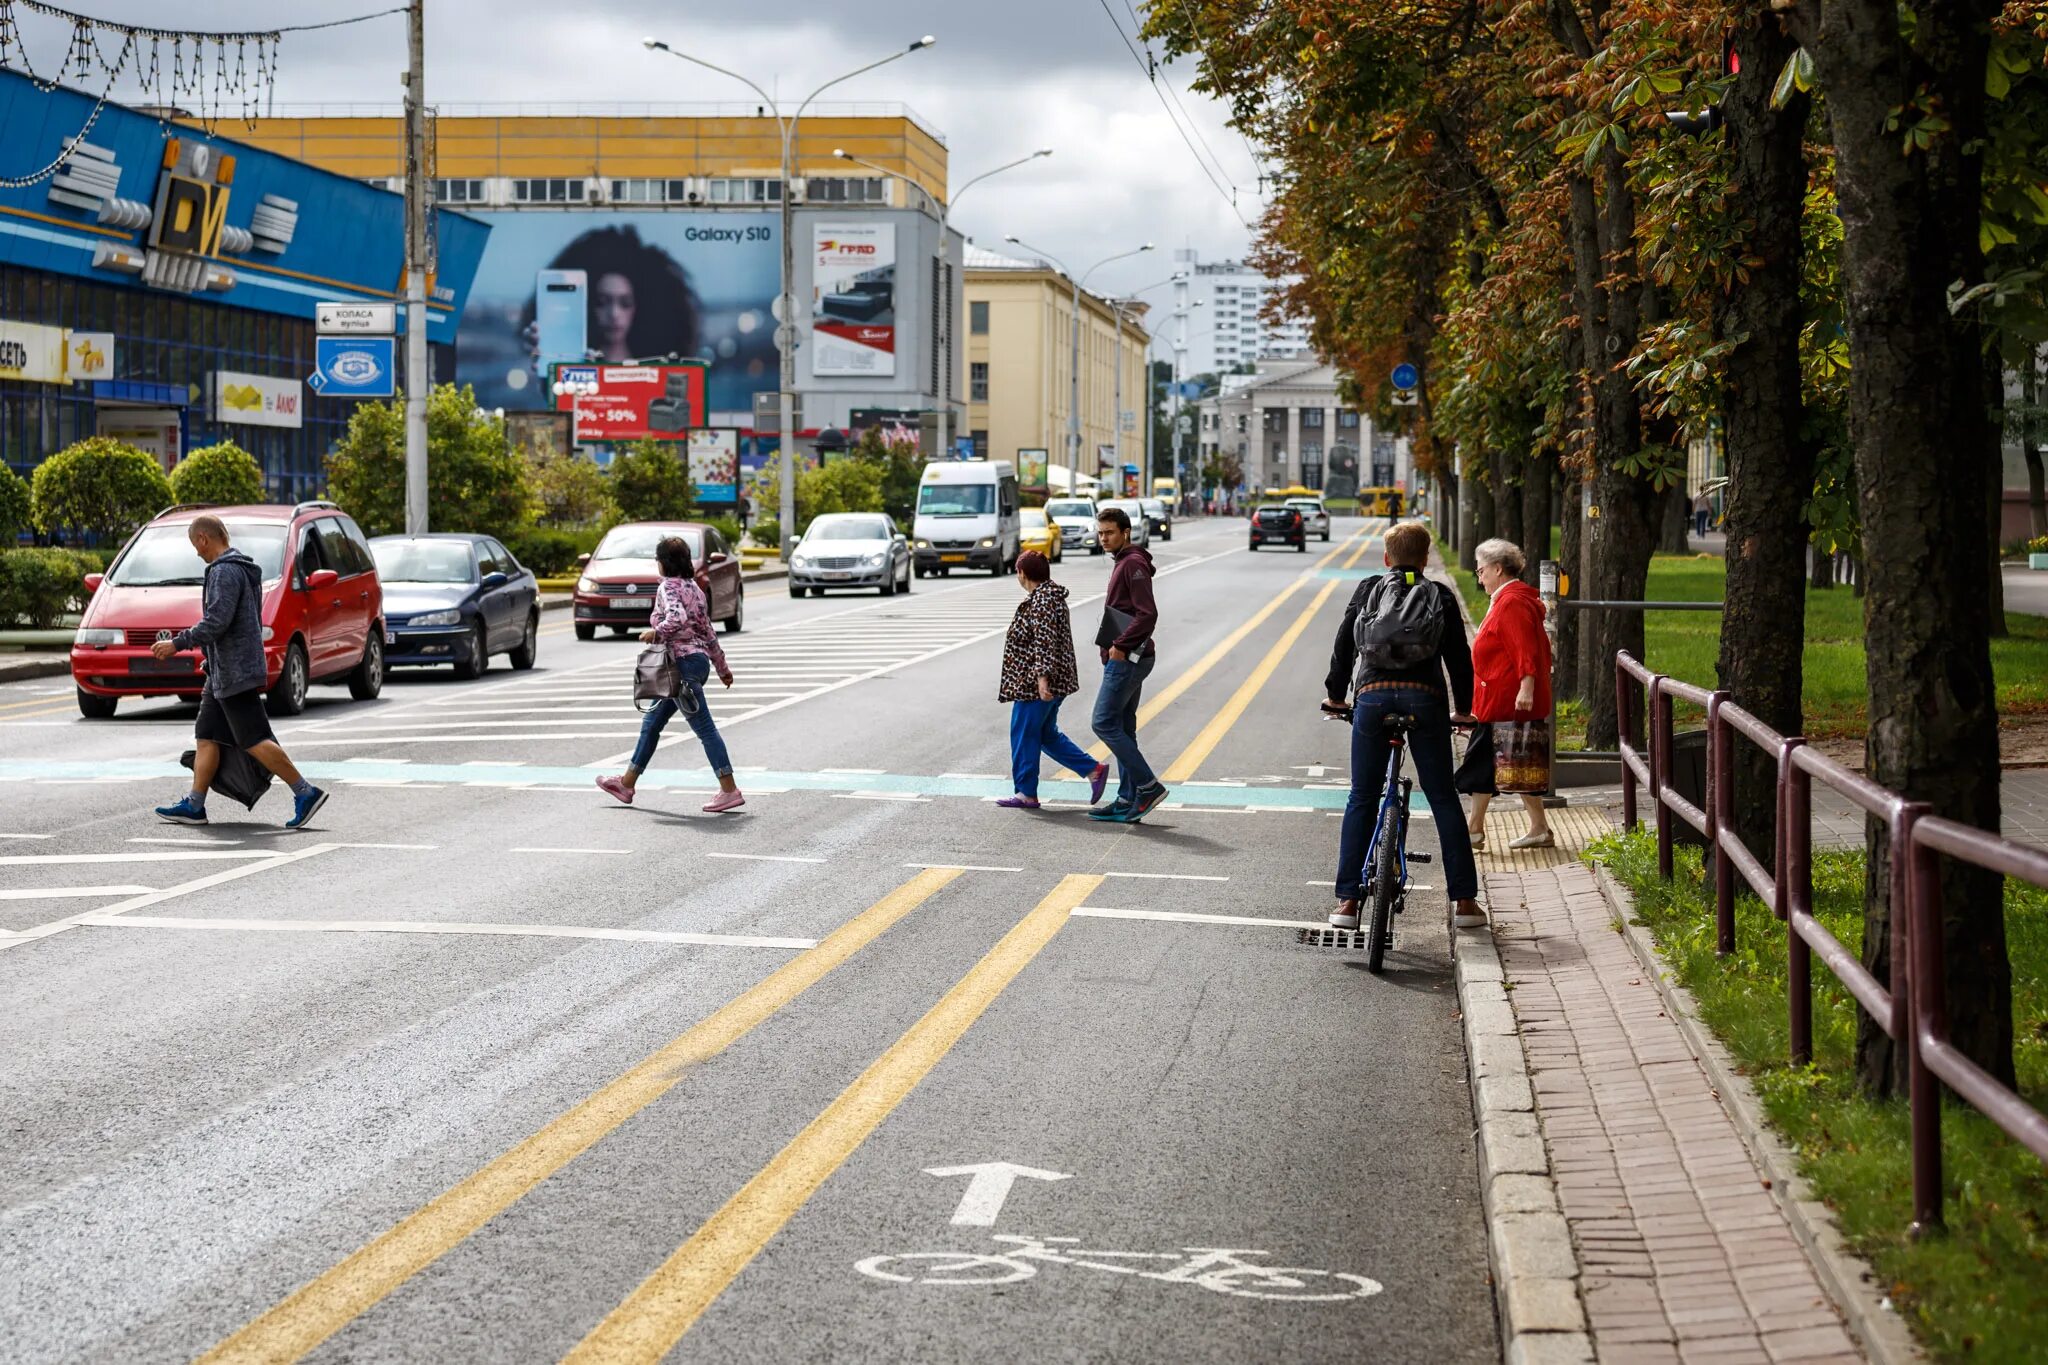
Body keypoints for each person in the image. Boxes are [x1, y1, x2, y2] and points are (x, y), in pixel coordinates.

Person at [1324, 520, 1483, 929]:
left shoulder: (1368, 590)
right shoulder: (1441, 596)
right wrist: (1463, 709)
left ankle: (1346, 902)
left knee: (1362, 796)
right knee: (1443, 798)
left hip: (1373, 699)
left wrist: (1337, 695)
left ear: (1386, 558)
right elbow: (1459, 659)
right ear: (1426, 558)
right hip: (1425, 700)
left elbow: (1344, 644)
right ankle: (1465, 903)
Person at [152, 516, 328, 829]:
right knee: (206, 736)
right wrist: (211, 660)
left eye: (196, 546)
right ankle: (194, 804)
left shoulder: (224, 571)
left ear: (204, 539)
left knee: (254, 739)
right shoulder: (240, 569)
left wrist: (177, 644)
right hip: (222, 671)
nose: (196, 553)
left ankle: (305, 792)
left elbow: (217, 622)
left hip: (235, 672)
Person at [596, 536, 745, 813]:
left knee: (705, 729)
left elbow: (676, 619)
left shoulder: (668, 587)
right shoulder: (696, 590)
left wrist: (656, 631)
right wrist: (722, 668)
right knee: (651, 724)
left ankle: (729, 790)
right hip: (693, 665)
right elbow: (708, 633)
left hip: (681, 668)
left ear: (663, 563)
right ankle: (626, 784)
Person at [1455, 538, 1555, 852]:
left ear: (1498, 569)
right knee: (1517, 763)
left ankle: (1474, 830)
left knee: (1485, 764)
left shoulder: (1511, 601)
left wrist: (1526, 686)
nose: (1479, 576)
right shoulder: (1507, 598)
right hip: (1499, 698)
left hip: (1506, 700)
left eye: (1482, 570)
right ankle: (1537, 828)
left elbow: (1523, 648)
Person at [995, 550, 1110, 810]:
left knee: (1023, 733)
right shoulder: (1049, 596)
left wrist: (1042, 679)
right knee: (1045, 734)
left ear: (1022, 573)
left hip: (1035, 684)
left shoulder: (1043, 600)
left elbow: (1044, 641)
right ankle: (1094, 770)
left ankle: (1026, 793)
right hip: (1049, 679)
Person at [521, 225, 700, 367]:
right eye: (602, 302)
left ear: (640, 307)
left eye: (625, 303)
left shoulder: (654, 370)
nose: (614, 314)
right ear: (589, 305)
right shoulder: (574, 366)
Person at [1090, 505, 1169, 822]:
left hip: (1131, 657)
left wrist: (1120, 647)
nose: (1103, 538)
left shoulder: (1133, 563)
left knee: (1103, 722)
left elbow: (1147, 613)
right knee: (1122, 726)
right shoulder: (1124, 561)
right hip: (1127, 655)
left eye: (1109, 532)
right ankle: (1127, 798)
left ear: (1126, 532)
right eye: (1100, 533)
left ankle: (1147, 787)